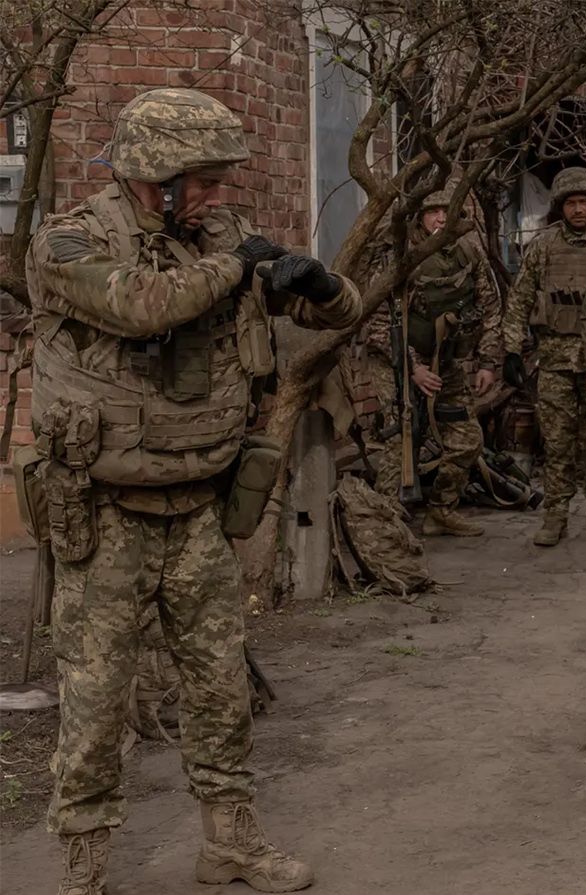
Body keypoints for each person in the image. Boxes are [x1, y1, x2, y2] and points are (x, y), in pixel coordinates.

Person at [25, 87, 366, 894]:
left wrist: (318, 283)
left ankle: (231, 842)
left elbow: (341, 314)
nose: (218, 196)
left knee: (219, 688)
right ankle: (84, 864)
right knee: (97, 700)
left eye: (219, 181)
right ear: (153, 175)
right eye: (204, 180)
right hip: (106, 513)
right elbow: (143, 308)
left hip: (200, 509)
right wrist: (240, 262)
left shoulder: (219, 241)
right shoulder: (69, 240)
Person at [502, 167, 586, 568]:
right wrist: (511, 349)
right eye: (571, 203)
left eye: (584, 202)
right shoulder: (543, 246)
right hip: (556, 361)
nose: (578, 210)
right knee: (558, 445)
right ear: (561, 207)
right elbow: (520, 297)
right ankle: (556, 515)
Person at [363, 187, 502, 536]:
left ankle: (442, 508)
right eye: (433, 211)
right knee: (399, 440)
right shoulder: (398, 255)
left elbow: (490, 308)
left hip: (446, 359)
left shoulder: (468, 252)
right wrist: (413, 369)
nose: (441, 218)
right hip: (398, 361)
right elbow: (378, 322)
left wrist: (488, 362)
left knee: (467, 439)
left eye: (447, 211)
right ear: (419, 216)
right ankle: (385, 526)